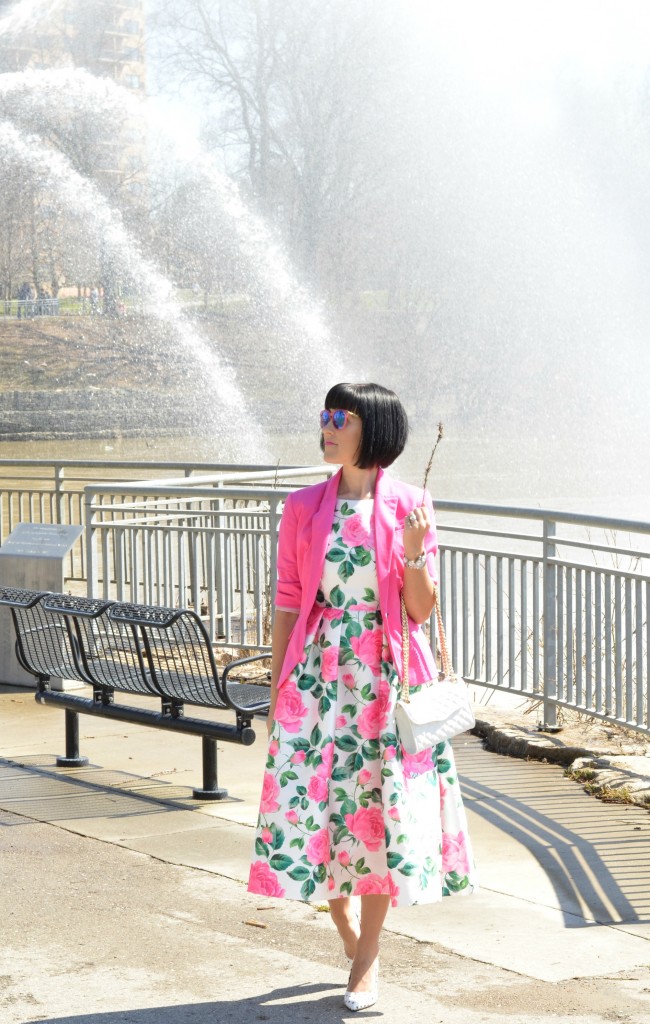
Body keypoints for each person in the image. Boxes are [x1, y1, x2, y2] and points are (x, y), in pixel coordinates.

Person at [248, 382, 477, 1011]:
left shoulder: (411, 502)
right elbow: (289, 602)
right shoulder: (302, 506)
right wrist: (277, 687)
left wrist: (411, 553)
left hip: (385, 679)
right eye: (323, 415)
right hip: (319, 679)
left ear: (370, 429)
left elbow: (421, 611)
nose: (324, 427)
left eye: (338, 418)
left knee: (381, 813)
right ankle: (345, 926)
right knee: (324, 808)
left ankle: (367, 961)